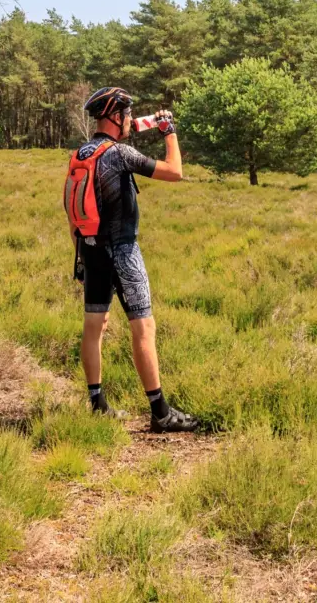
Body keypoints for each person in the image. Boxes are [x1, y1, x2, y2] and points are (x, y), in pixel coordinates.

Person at [65, 86, 200, 432]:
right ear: (115, 116)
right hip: (123, 252)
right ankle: (161, 413)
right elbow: (174, 171)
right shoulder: (120, 154)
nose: (129, 120)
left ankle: (97, 404)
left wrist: (81, 254)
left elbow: (71, 210)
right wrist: (169, 131)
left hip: (91, 250)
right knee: (144, 329)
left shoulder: (82, 153)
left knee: (94, 327)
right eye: (125, 115)